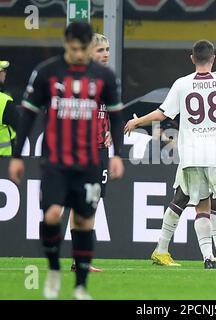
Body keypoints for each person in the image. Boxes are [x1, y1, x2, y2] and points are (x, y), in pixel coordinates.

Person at [125, 39, 216, 268]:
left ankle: (207, 257)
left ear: (192, 58)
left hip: (191, 154)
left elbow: (162, 114)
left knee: (196, 203)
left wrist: (137, 122)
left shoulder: (182, 84)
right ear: (213, 59)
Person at [8, 22, 124, 299]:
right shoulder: (48, 72)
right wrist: (17, 155)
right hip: (56, 159)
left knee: (85, 219)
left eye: (85, 49)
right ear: (66, 45)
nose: (80, 54)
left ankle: (81, 286)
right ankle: (53, 268)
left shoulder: (104, 77)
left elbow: (117, 116)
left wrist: (117, 152)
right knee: (50, 214)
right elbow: (28, 115)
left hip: (91, 160)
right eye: (75, 49)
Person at [68, 33, 120, 273]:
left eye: (108, 49)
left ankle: (81, 261)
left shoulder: (106, 80)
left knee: (91, 203)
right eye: (100, 50)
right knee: (81, 204)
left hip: (100, 150)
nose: (106, 54)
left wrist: (107, 130)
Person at [0, 60, 18, 156]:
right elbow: (20, 126)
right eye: (2, 71)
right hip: (3, 161)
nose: (4, 74)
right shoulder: (3, 101)